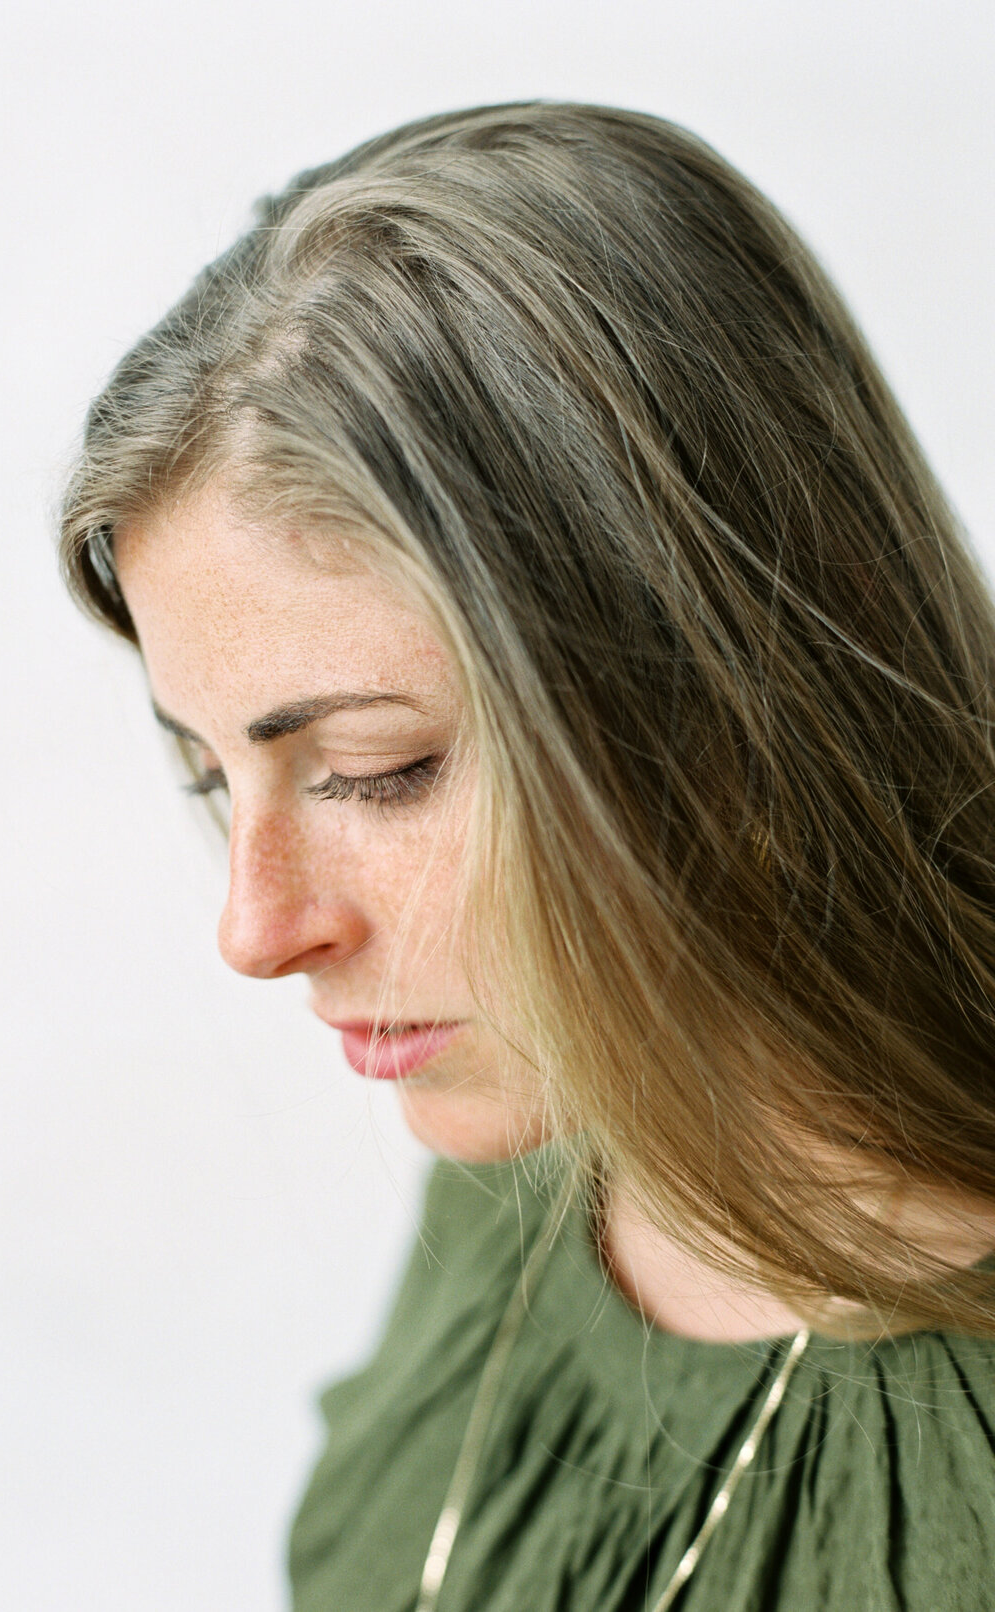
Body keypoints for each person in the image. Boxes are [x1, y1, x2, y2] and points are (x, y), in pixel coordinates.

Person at [59, 102, 995, 1610]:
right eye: (212, 773)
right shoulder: (524, 1126)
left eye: (375, 770)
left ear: (732, 700)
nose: (255, 928)